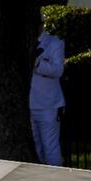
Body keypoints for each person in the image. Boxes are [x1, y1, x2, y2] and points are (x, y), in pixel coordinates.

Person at [31, 14, 66, 166]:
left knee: (50, 148)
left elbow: (58, 70)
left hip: (49, 106)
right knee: (36, 148)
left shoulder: (54, 43)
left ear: (43, 24)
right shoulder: (24, 43)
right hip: (29, 105)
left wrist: (37, 65)